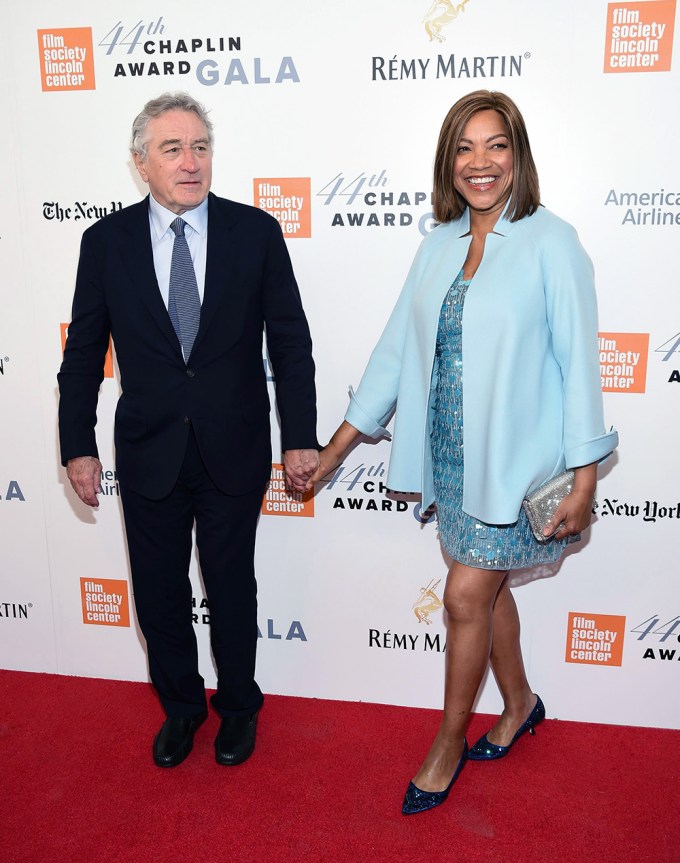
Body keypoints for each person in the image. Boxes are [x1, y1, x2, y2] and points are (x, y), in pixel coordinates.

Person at [310, 90, 617, 814]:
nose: (480, 163)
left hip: (516, 466)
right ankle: (519, 703)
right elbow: (393, 354)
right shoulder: (437, 242)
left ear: (519, 154)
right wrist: (336, 449)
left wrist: (584, 481)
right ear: (448, 162)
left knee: (464, 595)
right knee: (489, 589)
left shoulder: (553, 241)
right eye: (464, 148)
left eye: (496, 145)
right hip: (451, 458)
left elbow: (580, 367)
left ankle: (449, 740)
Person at [58, 92, 319, 768]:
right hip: (148, 450)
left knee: (232, 587)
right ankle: (181, 707)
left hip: (233, 445)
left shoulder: (254, 232)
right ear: (141, 161)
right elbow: (84, 352)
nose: (190, 161)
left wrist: (300, 435)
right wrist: (77, 445)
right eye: (173, 149)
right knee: (158, 591)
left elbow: (290, 342)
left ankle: (238, 708)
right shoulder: (104, 243)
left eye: (200, 146)